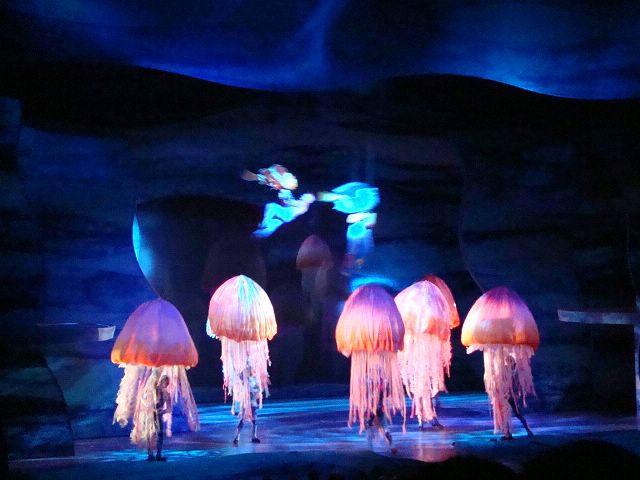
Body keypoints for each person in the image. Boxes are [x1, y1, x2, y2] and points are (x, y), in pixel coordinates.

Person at [232, 368, 261, 445]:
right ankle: (237, 437)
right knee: (243, 420)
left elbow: (258, 389)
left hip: (253, 402)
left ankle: (254, 436)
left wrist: (254, 390)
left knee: (254, 420)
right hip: (246, 403)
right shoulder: (243, 380)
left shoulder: (253, 380)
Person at [148, 375, 172, 461]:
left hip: (158, 415)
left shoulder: (167, 394)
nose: (165, 384)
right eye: (164, 381)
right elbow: (148, 400)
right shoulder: (155, 390)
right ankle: (150, 454)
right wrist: (152, 409)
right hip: (151, 414)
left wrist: (162, 411)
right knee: (151, 433)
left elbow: (169, 408)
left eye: (166, 382)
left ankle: (158, 454)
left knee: (160, 434)